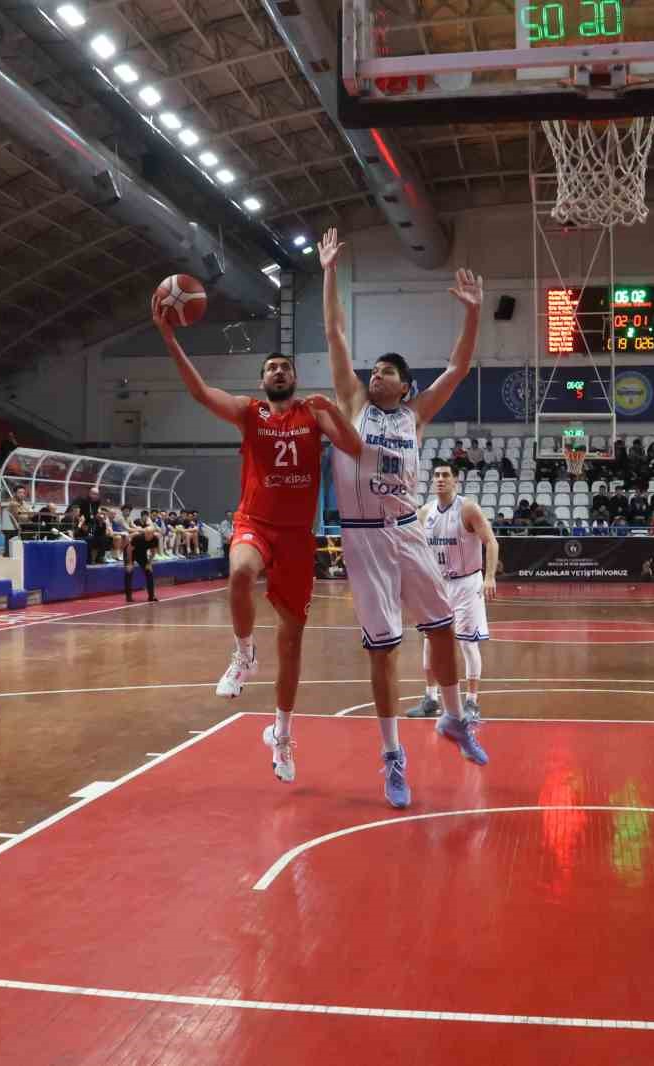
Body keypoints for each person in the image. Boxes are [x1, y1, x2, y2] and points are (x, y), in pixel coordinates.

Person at [154, 292, 363, 785]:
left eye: (285, 367)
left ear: (295, 377)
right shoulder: (249, 413)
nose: (278, 372)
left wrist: (334, 410)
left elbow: (354, 448)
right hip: (255, 522)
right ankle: (244, 652)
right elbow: (201, 392)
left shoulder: (314, 412)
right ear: (261, 380)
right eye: (271, 367)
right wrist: (168, 337)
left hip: (297, 537)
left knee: (291, 645)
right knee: (241, 572)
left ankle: (283, 733)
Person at [321, 226, 488, 808]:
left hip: (409, 533)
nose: (376, 376)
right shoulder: (353, 405)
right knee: (383, 650)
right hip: (364, 540)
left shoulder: (416, 417)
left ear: (405, 384)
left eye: (387, 372)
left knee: (442, 628)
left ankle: (451, 719)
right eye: (374, 372)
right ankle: (393, 755)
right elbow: (336, 334)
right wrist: (328, 272)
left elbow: (459, 368)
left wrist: (472, 314)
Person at [408, 461, 499, 720]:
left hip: (467, 583)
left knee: (467, 644)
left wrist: (490, 577)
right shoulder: (425, 513)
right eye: (436, 475)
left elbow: (491, 542)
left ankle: (471, 701)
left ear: (455, 480)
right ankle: (430, 698)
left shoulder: (467, 509)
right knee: (429, 642)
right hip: (437, 585)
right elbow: (414, 550)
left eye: (446, 475)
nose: (440, 479)